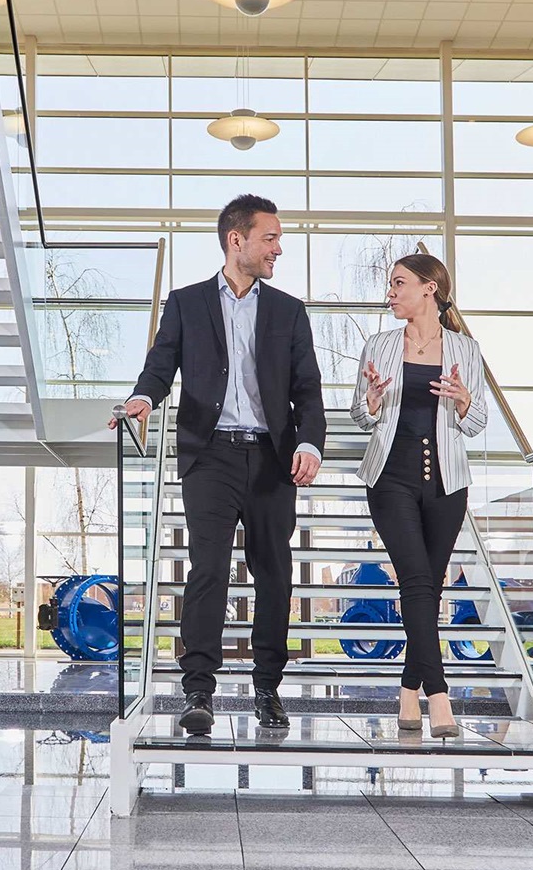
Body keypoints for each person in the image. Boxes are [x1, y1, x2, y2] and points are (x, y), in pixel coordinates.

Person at [111, 195, 326, 735]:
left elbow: (308, 388)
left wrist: (310, 444)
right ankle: (198, 692)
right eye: (270, 238)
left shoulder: (287, 310)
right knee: (208, 570)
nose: (279, 247)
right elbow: (160, 366)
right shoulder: (186, 304)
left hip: (274, 458)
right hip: (210, 456)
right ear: (238, 240)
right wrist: (143, 398)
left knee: (274, 572)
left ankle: (268, 688)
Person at [351, 253, 488, 738]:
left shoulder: (465, 350)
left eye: (398, 283)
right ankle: (439, 696)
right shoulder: (380, 346)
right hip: (390, 477)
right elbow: (361, 417)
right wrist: (369, 403)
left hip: (447, 483)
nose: (390, 292)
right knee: (414, 580)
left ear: (430, 288)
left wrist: (465, 401)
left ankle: (408, 690)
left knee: (430, 587)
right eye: (390, 284)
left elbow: (477, 423)